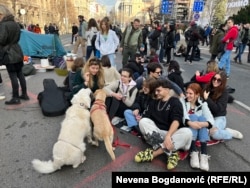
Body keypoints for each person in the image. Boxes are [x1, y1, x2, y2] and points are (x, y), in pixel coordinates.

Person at [134, 79, 192, 170]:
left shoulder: (175, 102)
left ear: (167, 90)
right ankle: (171, 153)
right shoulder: (154, 101)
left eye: (159, 90)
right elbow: (146, 117)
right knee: (143, 121)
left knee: (187, 132)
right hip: (158, 133)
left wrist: (169, 135)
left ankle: (153, 153)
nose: (156, 93)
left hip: (172, 134)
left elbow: (177, 120)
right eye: (155, 91)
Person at [180, 83, 214, 171]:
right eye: (187, 92)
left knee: (203, 118)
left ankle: (204, 154)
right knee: (194, 116)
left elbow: (211, 119)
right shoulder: (182, 101)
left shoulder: (202, 103)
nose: (187, 95)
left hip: (198, 130)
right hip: (186, 129)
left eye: (190, 93)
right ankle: (193, 151)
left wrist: (201, 124)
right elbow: (184, 116)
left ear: (197, 94)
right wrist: (192, 123)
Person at [0, 4, 29, 105]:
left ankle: (15, 97)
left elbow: (2, 40)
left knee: (12, 75)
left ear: (1, 14)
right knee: (20, 74)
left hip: (9, 53)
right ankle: (24, 94)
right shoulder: (15, 23)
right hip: (17, 50)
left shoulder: (3, 25)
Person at [203, 71, 243, 140]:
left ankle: (229, 133)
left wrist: (207, 99)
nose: (215, 81)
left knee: (214, 134)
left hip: (219, 117)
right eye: (214, 79)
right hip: (207, 116)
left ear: (222, 82)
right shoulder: (208, 87)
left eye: (219, 80)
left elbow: (217, 109)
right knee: (202, 131)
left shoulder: (224, 92)